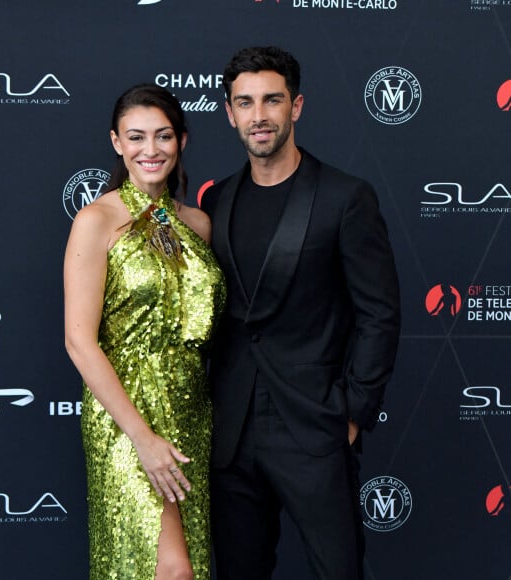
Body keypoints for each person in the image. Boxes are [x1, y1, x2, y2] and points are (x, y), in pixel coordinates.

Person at [200, 46, 401, 579]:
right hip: (232, 431)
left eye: (272, 99)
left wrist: (354, 412)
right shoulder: (217, 200)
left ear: (297, 106)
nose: (258, 115)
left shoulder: (344, 197)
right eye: (245, 102)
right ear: (229, 112)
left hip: (315, 424)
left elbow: (379, 312)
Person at [64, 84, 225, 580]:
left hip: (191, 407)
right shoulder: (97, 220)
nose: (150, 150)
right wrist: (142, 437)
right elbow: (79, 340)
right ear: (117, 143)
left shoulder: (198, 224)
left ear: (181, 141)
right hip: (124, 412)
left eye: (163, 137)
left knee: (190, 567)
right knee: (168, 569)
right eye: (136, 137)